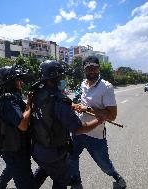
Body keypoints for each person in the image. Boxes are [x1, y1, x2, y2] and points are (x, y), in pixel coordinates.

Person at [30, 60, 103, 189]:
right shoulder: (59, 100)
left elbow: (49, 112)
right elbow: (79, 128)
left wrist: (72, 106)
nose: (63, 79)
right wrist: (99, 120)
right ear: (56, 77)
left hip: (38, 149)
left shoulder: (36, 94)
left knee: (45, 170)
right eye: (61, 76)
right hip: (54, 153)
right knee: (61, 181)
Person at [70, 56, 127, 189]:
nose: (92, 71)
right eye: (89, 68)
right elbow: (77, 100)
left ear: (99, 68)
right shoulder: (83, 84)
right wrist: (75, 105)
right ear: (84, 70)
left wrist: (87, 109)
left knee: (104, 165)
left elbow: (112, 116)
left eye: (94, 68)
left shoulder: (106, 87)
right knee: (71, 157)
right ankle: (76, 182)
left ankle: (117, 177)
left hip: (95, 135)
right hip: (79, 131)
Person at [0, 65, 34, 189]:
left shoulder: (10, 97)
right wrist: (29, 105)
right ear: (11, 81)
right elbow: (23, 125)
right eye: (18, 79)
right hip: (15, 151)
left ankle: (0, 186)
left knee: (11, 168)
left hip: (14, 149)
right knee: (26, 184)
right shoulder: (8, 101)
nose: (22, 82)